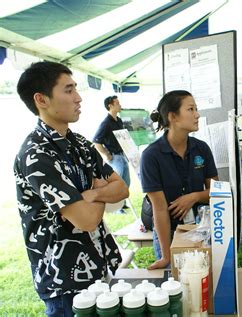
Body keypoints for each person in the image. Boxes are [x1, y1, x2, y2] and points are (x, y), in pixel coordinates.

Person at [14, 61, 129, 317]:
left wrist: (94, 193)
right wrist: (98, 187)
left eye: (76, 89)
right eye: (68, 90)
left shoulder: (78, 142)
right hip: (64, 283)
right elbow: (86, 220)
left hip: (98, 266)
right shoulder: (36, 154)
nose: (78, 98)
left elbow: (121, 188)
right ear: (41, 100)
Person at [140, 90, 218, 269]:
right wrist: (167, 256)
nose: (197, 115)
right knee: (175, 284)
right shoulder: (151, 156)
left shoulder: (202, 149)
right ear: (173, 117)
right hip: (168, 232)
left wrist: (194, 197)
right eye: (191, 109)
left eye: (196, 109)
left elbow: (215, 191)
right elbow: (159, 210)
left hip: (199, 230)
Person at [93, 95, 131, 212]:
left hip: (123, 155)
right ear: (110, 106)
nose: (120, 105)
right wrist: (107, 155)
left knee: (126, 183)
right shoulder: (106, 123)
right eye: (117, 103)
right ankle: (115, 208)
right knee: (116, 185)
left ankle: (121, 205)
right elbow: (96, 141)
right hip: (115, 157)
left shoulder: (118, 120)